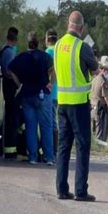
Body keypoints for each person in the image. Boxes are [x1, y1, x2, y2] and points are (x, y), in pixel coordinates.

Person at [55, 11, 98, 202]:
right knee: (82, 146)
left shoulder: (57, 45)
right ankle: (81, 191)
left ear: (68, 24)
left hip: (62, 103)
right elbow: (95, 69)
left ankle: (61, 189)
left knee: (63, 147)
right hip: (79, 104)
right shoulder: (82, 47)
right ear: (81, 28)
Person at [8, 32, 55, 165]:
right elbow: (52, 70)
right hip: (42, 94)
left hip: (27, 95)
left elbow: (10, 69)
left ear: (27, 42)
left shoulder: (21, 57)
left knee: (30, 127)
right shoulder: (45, 57)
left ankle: (33, 157)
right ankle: (49, 157)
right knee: (46, 126)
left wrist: (19, 84)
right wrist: (50, 83)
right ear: (38, 43)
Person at [0, 26, 20, 159]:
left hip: (6, 87)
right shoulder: (10, 52)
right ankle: (11, 150)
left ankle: (9, 149)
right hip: (11, 87)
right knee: (13, 118)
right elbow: (11, 72)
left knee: (10, 117)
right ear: (15, 40)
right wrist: (19, 84)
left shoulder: (3, 50)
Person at [91, 55, 108, 147]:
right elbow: (106, 98)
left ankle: (95, 150)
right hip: (100, 110)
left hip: (92, 109)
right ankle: (99, 151)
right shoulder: (104, 81)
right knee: (101, 135)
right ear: (104, 70)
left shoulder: (94, 79)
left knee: (94, 133)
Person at [45, 28, 59, 157]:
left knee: (50, 122)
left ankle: (53, 150)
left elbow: (47, 71)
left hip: (49, 91)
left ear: (48, 39)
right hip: (60, 92)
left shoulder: (48, 52)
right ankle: (55, 149)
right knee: (55, 120)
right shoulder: (60, 51)